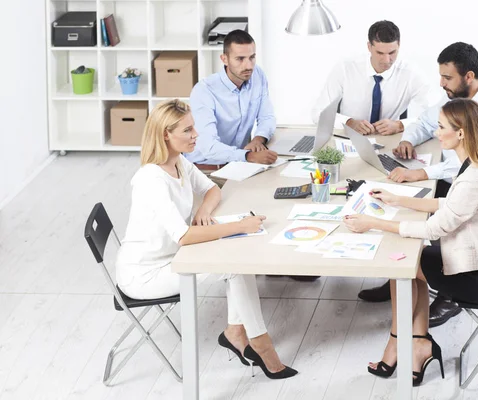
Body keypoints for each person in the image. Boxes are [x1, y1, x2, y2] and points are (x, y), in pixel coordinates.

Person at [344, 99, 478, 385]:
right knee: (410, 265)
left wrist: (374, 223)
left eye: (441, 127)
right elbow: (452, 205)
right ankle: (418, 344)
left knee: (400, 265)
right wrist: (398, 199)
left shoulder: (473, 177)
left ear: (461, 133)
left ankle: (400, 342)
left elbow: (433, 228)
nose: (436, 133)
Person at [116, 99, 297, 380]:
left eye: (194, 128)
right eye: (187, 130)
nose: (195, 135)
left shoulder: (179, 163)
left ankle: (236, 333)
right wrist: (240, 226)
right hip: (146, 274)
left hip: (173, 256)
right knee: (235, 265)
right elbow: (185, 236)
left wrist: (203, 209)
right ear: (166, 134)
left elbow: (213, 188)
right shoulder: (151, 179)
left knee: (237, 257)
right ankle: (261, 345)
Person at [359, 42, 478, 327]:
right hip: (463, 193)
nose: (441, 83)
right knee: (411, 213)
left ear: (468, 76)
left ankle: (444, 293)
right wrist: (407, 142)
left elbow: (441, 216)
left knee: (414, 234)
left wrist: (374, 221)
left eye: (447, 77)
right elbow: (426, 123)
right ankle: (400, 283)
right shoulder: (454, 105)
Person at [311, 20, 430, 136]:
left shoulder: (410, 73)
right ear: (369, 47)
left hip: (389, 141)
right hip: (349, 139)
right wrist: (349, 122)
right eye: (380, 53)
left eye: (392, 52)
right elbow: (318, 113)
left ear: (399, 45)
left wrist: (400, 125)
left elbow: (438, 113)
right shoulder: (345, 68)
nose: (387, 60)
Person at [185, 30, 278, 170]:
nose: (248, 66)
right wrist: (248, 156)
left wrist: (258, 139)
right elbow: (208, 146)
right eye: (240, 59)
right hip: (206, 169)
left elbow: (267, 117)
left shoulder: (257, 75)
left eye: (252, 57)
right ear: (224, 59)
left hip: (240, 164)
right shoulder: (204, 91)